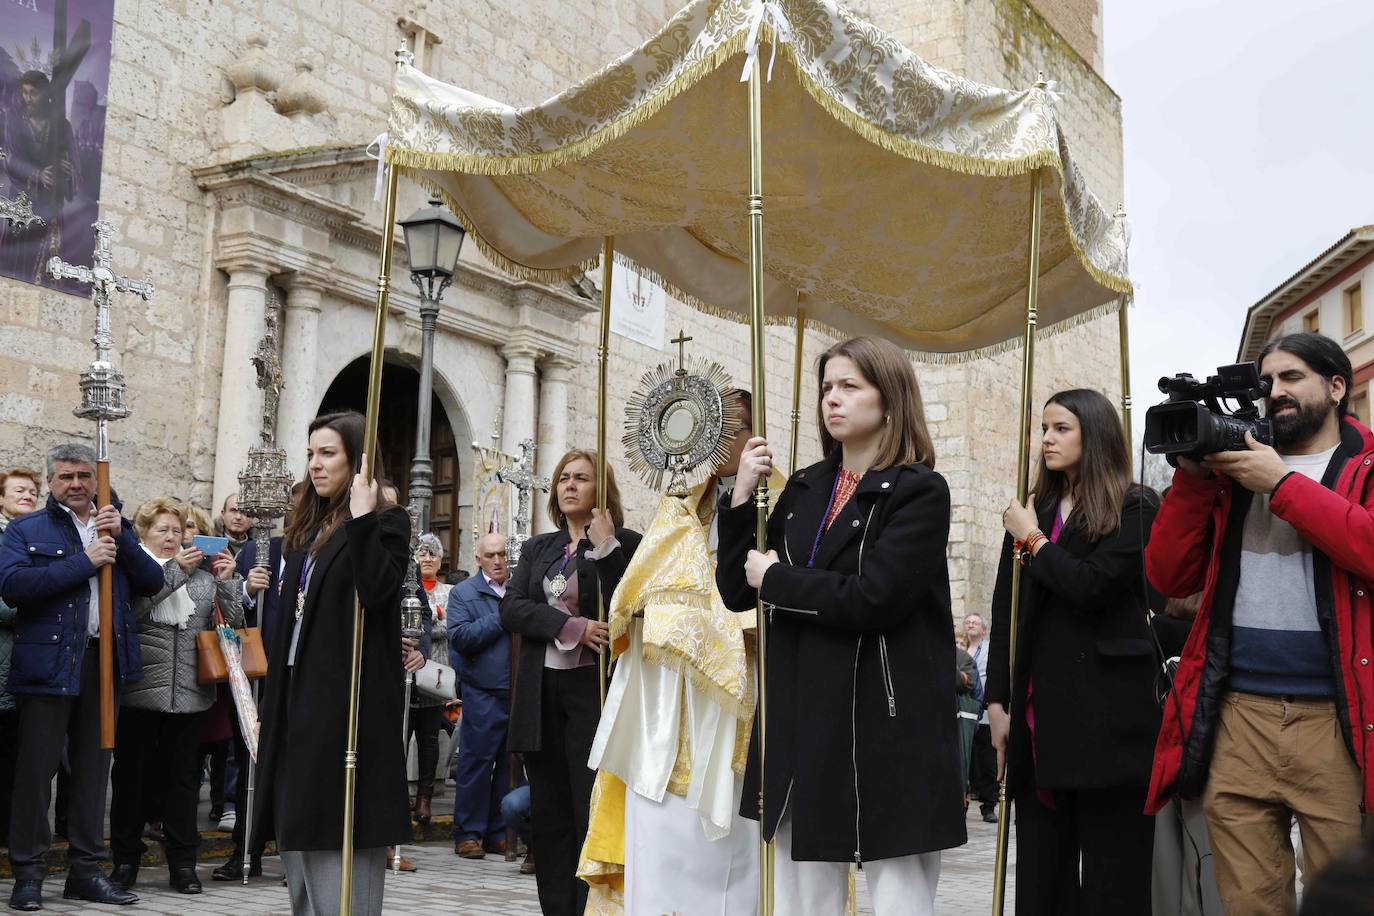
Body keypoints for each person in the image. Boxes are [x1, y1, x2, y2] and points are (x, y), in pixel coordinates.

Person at [716, 336, 967, 915]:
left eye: (850, 386)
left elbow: (874, 598)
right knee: (804, 897)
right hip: (805, 713)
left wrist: (777, 581)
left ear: (890, 397)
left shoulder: (920, 491)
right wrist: (742, 499)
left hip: (885, 721)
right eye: (827, 386)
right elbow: (737, 591)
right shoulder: (803, 489)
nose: (833, 399)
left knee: (899, 892)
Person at [1146, 332, 1374, 916]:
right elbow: (1170, 576)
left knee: (1344, 901)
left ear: (1336, 385)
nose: (1276, 392)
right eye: (1267, 381)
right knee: (1247, 904)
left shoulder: (1368, 465)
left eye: (1292, 377)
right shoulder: (1228, 469)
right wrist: (1193, 480)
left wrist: (1281, 483)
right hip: (1237, 716)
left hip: (1340, 721)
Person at [578, 391, 773, 914]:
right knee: (660, 837)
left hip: (735, 693)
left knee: (728, 845)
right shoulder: (678, 509)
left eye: (732, 428)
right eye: (713, 426)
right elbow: (633, 596)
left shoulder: (774, 502)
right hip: (668, 703)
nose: (719, 439)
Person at [985, 388, 1161, 915]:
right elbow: (1005, 611)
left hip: (1108, 720)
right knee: (1041, 874)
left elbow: (1092, 585)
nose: (1046, 439)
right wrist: (997, 699)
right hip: (1040, 717)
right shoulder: (1032, 509)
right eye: (1043, 429)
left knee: (1115, 878)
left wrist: (1034, 541)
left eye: (1061, 428)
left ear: (1095, 432)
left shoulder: (1135, 505)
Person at [251, 411, 412, 916]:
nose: (315, 466)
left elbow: (380, 591)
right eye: (310, 454)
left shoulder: (387, 520)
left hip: (347, 701)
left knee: (342, 828)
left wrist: (364, 518)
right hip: (298, 693)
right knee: (299, 828)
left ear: (357, 460)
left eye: (328, 454)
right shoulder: (307, 525)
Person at [0, 444, 164, 910]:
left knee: (94, 774)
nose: (75, 484)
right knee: (37, 774)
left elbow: (152, 581)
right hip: (47, 665)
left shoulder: (116, 523)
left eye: (84, 476)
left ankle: (86, 872)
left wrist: (124, 540)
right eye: (66, 476)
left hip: (103, 662)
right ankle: (28, 875)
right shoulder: (25, 528)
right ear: (50, 482)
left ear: (97, 480)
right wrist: (84, 562)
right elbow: (13, 587)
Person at [500, 449, 641, 916]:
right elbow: (511, 607)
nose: (570, 485)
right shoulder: (538, 548)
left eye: (582, 478)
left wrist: (606, 549)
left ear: (602, 488)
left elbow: (630, 603)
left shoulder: (626, 541)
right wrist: (571, 627)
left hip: (593, 692)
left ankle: (592, 909)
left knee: (589, 808)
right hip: (541, 694)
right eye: (564, 478)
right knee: (550, 813)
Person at [108, 498, 244, 895]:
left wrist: (227, 581)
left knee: (183, 786)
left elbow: (232, 624)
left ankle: (184, 866)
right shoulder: (134, 572)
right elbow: (131, 613)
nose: (172, 538)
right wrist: (175, 572)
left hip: (191, 698)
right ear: (144, 534)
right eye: (162, 530)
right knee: (132, 784)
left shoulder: (202, 576)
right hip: (139, 698)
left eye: (177, 530)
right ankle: (125, 863)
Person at [448, 533, 514, 858]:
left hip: (516, 691)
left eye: (503, 554)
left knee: (508, 764)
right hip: (482, 691)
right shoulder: (464, 592)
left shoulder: (519, 589)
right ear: (478, 559)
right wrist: (502, 616)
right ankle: (468, 834)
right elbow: (460, 637)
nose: (498, 561)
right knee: (476, 763)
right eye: (491, 555)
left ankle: (499, 832)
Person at [0, 466, 40, 849]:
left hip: (29, 666)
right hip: (4, 660)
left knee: (18, 757)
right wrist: (39, 609)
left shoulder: (37, 535)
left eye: (32, 491)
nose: (27, 496)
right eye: (18, 490)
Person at [408, 533, 452, 826]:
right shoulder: (408, 586)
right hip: (406, 669)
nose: (427, 559)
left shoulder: (450, 592)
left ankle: (425, 797)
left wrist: (428, 623)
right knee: (401, 733)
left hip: (434, 673)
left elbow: (449, 626)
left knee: (429, 736)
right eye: (422, 553)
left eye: (432, 554)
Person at [963, 612, 998, 824]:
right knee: (968, 761)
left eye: (975, 622)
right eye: (968, 622)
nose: (971, 625)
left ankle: (988, 805)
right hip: (964, 715)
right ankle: (963, 804)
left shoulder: (990, 651)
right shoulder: (960, 650)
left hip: (983, 714)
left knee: (987, 761)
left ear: (984, 630)